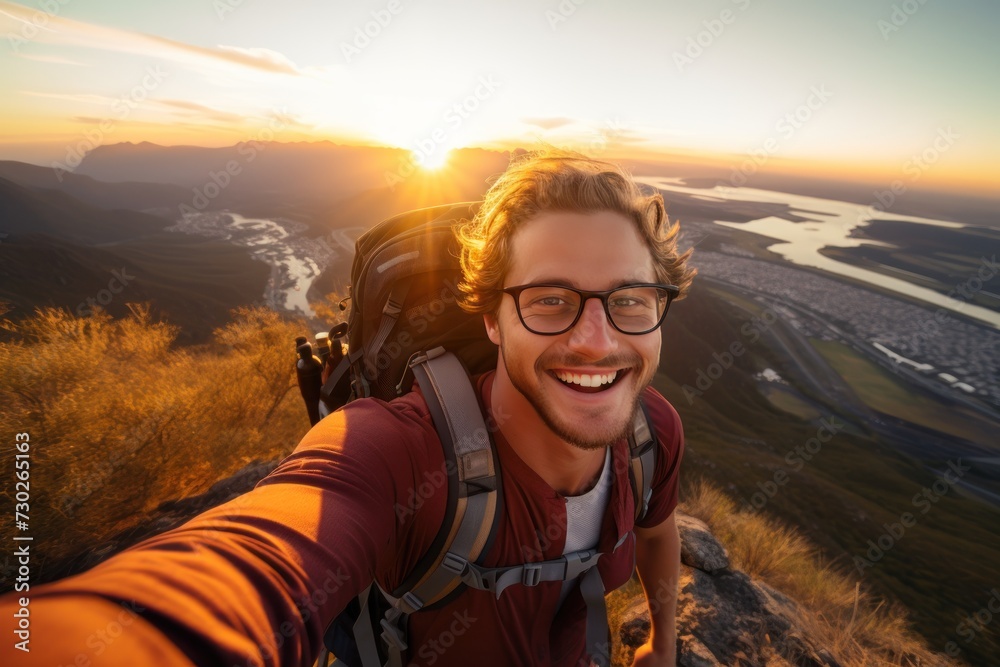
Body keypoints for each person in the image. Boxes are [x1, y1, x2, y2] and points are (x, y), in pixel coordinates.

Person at [1, 150, 695, 666]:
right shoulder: (399, 454)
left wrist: (663, 645)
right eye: (549, 299)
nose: (596, 341)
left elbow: (658, 534)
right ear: (492, 318)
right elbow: (258, 555)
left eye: (630, 299)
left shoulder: (652, 433)